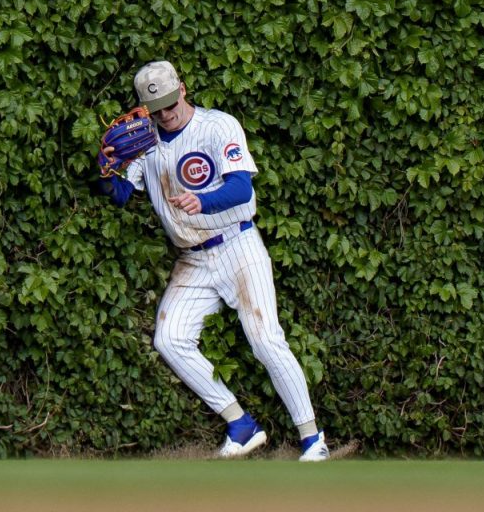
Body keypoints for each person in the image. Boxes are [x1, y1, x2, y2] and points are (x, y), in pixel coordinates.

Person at [97, 60, 330, 461]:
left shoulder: (218, 125)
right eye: (157, 109)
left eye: (170, 104)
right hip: (193, 260)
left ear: (183, 90)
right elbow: (120, 196)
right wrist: (105, 172)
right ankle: (241, 424)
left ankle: (312, 439)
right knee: (169, 340)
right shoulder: (144, 142)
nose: (166, 115)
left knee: (266, 340)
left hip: (239, 245)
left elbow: (241, 189)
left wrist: (201, 201)